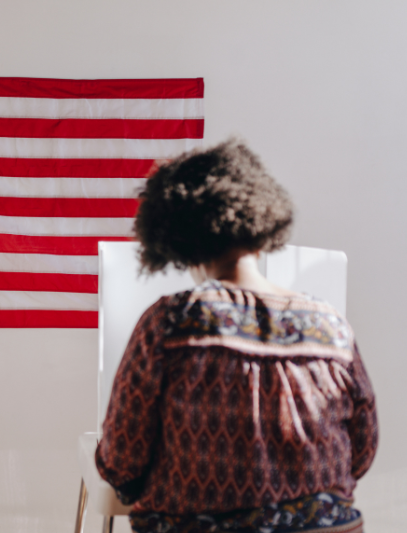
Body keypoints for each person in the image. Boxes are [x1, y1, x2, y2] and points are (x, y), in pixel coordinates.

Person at [95, 140, 378, 533]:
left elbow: (121, 459)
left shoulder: (171, 321)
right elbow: (361, 450)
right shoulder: (330, 323)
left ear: (177, 240)